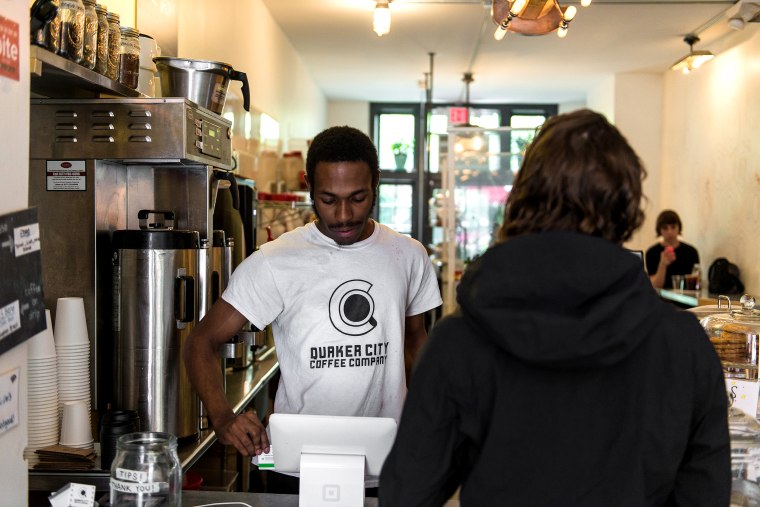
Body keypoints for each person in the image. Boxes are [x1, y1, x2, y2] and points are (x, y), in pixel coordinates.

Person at [379, 110, 729, 506]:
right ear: (628, 206)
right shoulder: (682, 346)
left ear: (522, 197)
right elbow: (704, 495)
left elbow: (407, 493)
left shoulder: (458, 342)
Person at [183, 125, 442, 461]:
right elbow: (200, 342)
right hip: (299, 461)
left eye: (358, 198)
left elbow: (414, 340)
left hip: (390, 457)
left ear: (375, 182)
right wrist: (222, 417)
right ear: (309, 185)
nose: (344, 215)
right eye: (329, 199)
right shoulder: (275, 261)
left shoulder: (408, 255)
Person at [645, 209, 700, 289]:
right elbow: (655, 286)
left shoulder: (691, 252)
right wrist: (662, 264)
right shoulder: (652, 253)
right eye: (665, 228)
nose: (670, 232)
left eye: (673, 227)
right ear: (659, 230)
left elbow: (696, 283)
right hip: (661, 299)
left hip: (686, 299)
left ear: (679, 228)